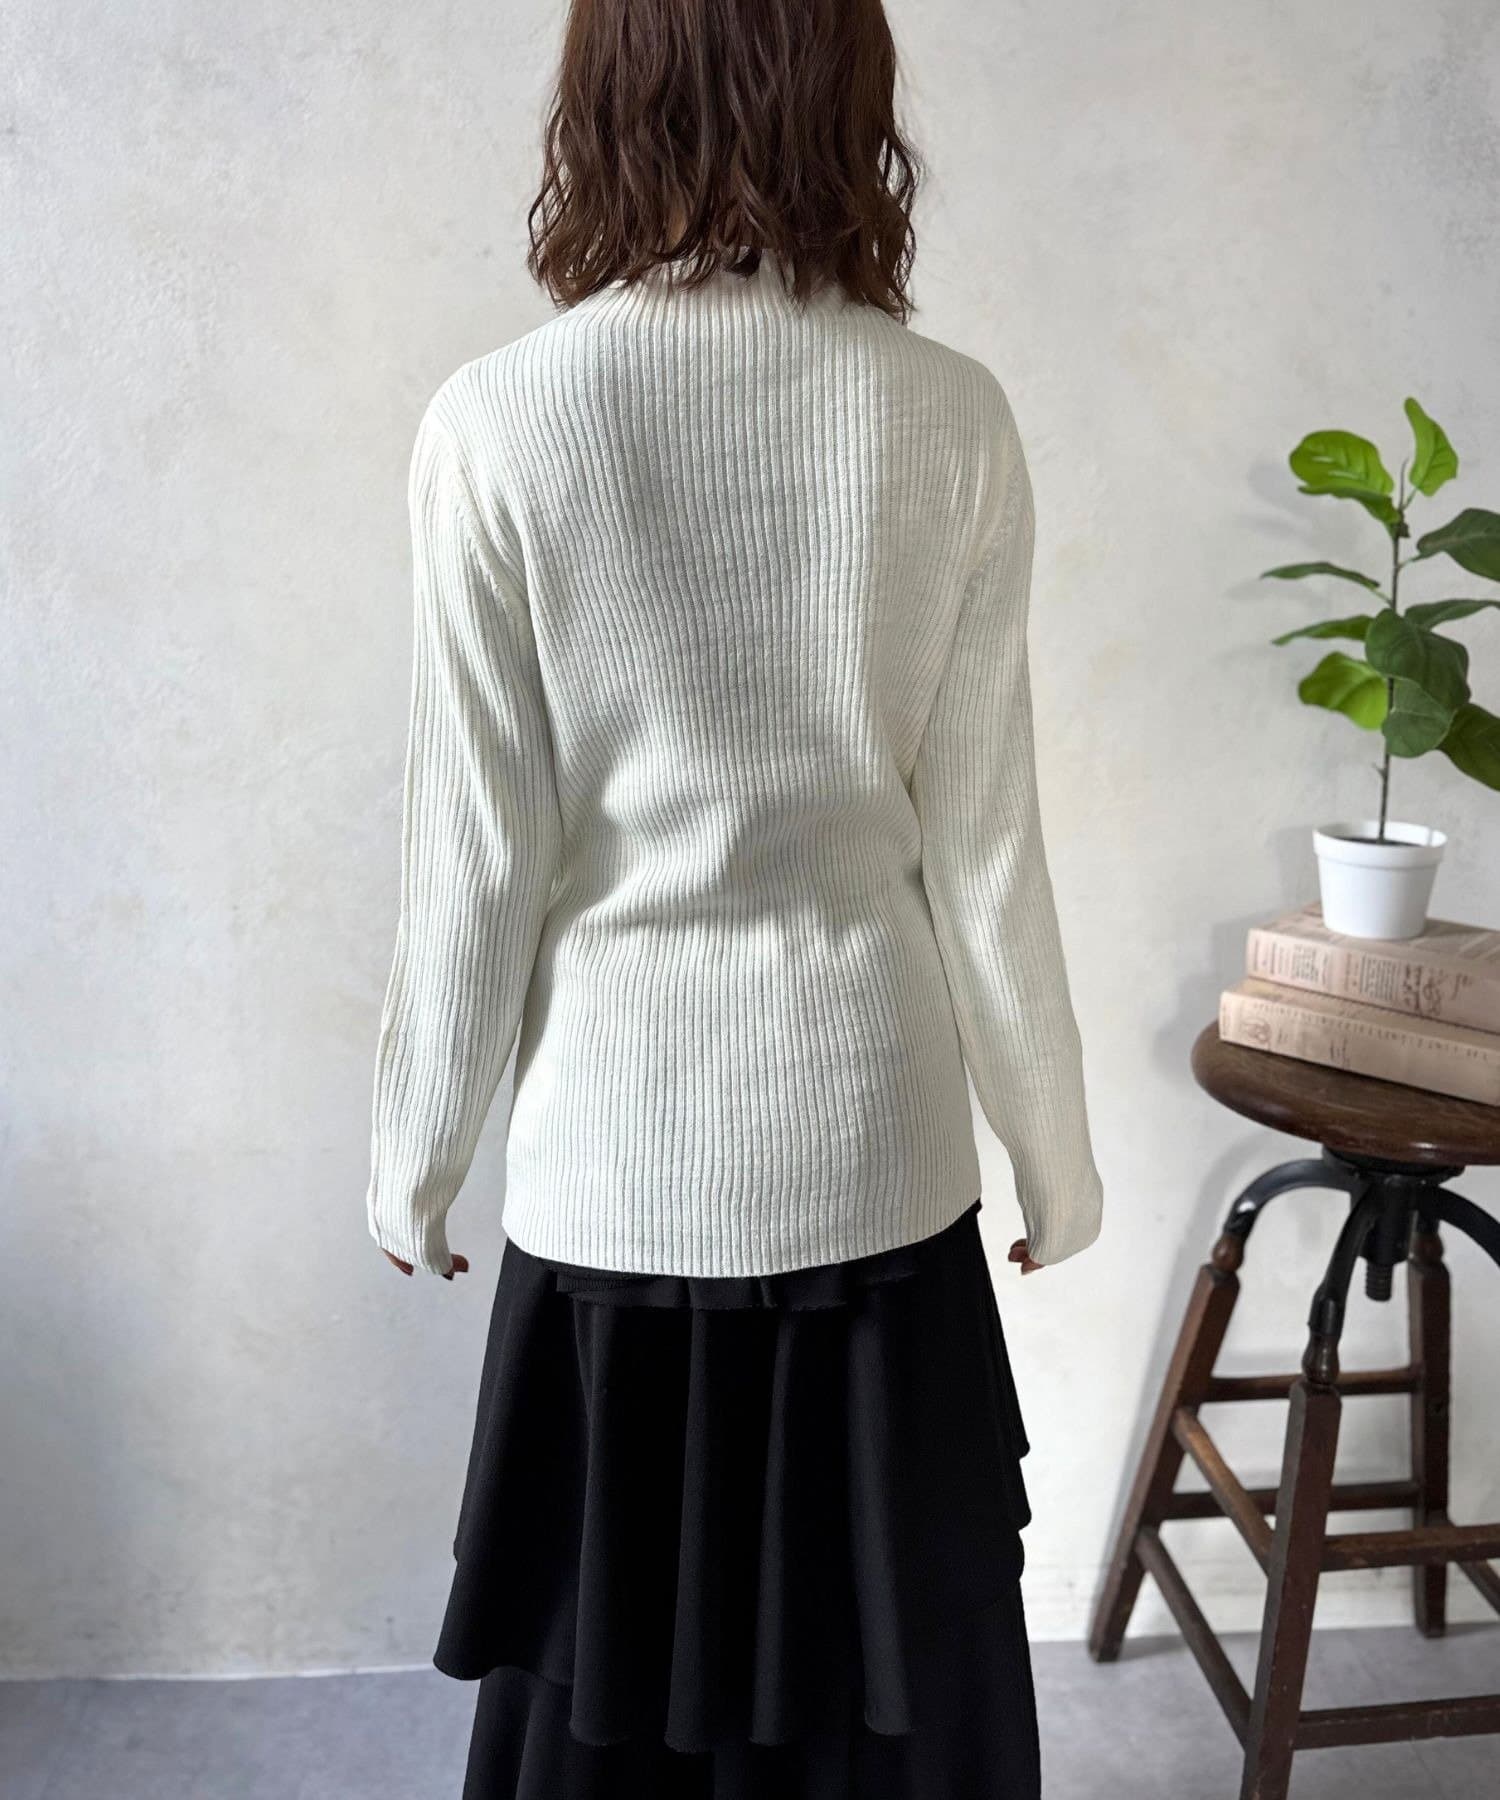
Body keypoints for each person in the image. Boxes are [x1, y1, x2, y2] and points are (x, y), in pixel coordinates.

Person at [364, 0, 1104, 1791]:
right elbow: (986, 840)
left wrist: (415, 1151)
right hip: (877, 1153)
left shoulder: (501, 422)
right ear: (853, 93)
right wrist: (1055, 1154)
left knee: (603, 1704)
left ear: (606, 97)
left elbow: (479, 850)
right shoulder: (948, 416)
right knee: (893, 1696)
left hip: (614, 1170)